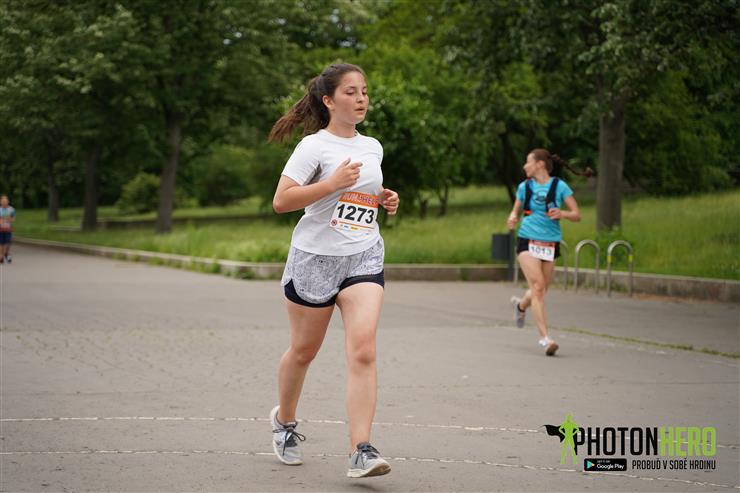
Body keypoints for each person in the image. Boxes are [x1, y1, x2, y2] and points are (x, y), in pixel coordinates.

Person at [267, 63, 399, 478]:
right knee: (304, 351)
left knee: (363, 350)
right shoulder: (314, 147)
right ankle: (284, 422)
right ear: (328, 100)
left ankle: (361, 449)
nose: (361, 99)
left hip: (363, 255)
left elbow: (363, 195)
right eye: (350, 92)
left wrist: (383, 198)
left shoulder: (372, 146)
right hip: (315, 259)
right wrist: (331, 184)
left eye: (365, 91)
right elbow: (281, 201)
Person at [506, 149, 587, 356]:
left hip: (550, 244)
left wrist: (563, 213)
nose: (524, 166)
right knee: (538, 287)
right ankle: (545, 339)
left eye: (528, 162)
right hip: (527, 240)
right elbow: (516, 210)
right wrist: (513, 217)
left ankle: (520, 306)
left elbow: (577, 214)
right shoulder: (524, 187)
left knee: (539, 291)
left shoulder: (559, 186)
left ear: (540, 164)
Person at [0, 195, 16, 264]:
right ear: (0, 202)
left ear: (8, 202)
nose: (4, 203)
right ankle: (1, 256)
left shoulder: (12, 209)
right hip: (0, 229)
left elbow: (13, 219)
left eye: (5, 201)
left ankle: (6, 253)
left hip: (8, 229)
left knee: (8, 243)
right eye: (3, 201)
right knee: (1, 243)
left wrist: (8, 219)